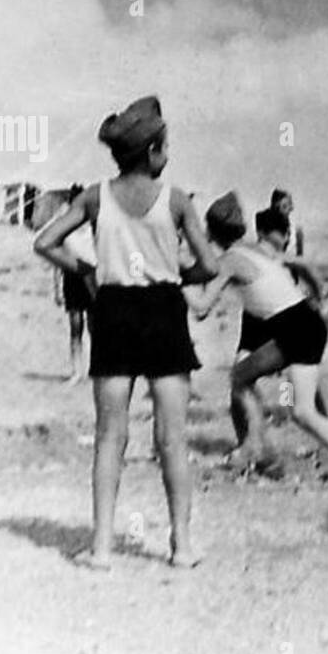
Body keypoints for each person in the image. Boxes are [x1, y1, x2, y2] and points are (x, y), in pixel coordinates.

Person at [33, 96, 217, 571]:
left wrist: (92, 271)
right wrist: (176, 274)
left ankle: (101, 550)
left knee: (110, 437)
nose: (169, 154)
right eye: (166, 145)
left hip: (113, 312)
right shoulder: (176, 200)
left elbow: (45, 241)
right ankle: (181, 546)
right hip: (163, 314)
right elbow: (211, 265)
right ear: (153, 150)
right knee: (171, 439)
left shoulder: (95, 196)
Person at [195, 193, 328, 483]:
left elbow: (202, 309)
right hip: (307, 321)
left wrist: (174, 286)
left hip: (295, 328)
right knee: (299, 408)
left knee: (249, 383)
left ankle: (257, 448)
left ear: (212, 232)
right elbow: (301, 264)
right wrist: (321, 297)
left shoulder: (230, 259)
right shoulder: (257, 251)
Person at [45, 184, 98, 385]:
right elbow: (56, 258)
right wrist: (57, 288)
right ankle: (77, 371)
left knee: (94, 326)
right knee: (76, 326)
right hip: (72, 276)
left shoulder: (94, 224)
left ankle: (95, 368)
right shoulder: (64, 227)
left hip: (91, 275)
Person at [269, 188, 305, 257]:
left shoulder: (293, 230)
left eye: (290, 204)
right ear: (276, 205)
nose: (291, 208)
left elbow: (299, 258)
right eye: (286, 205)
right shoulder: (267, 229)